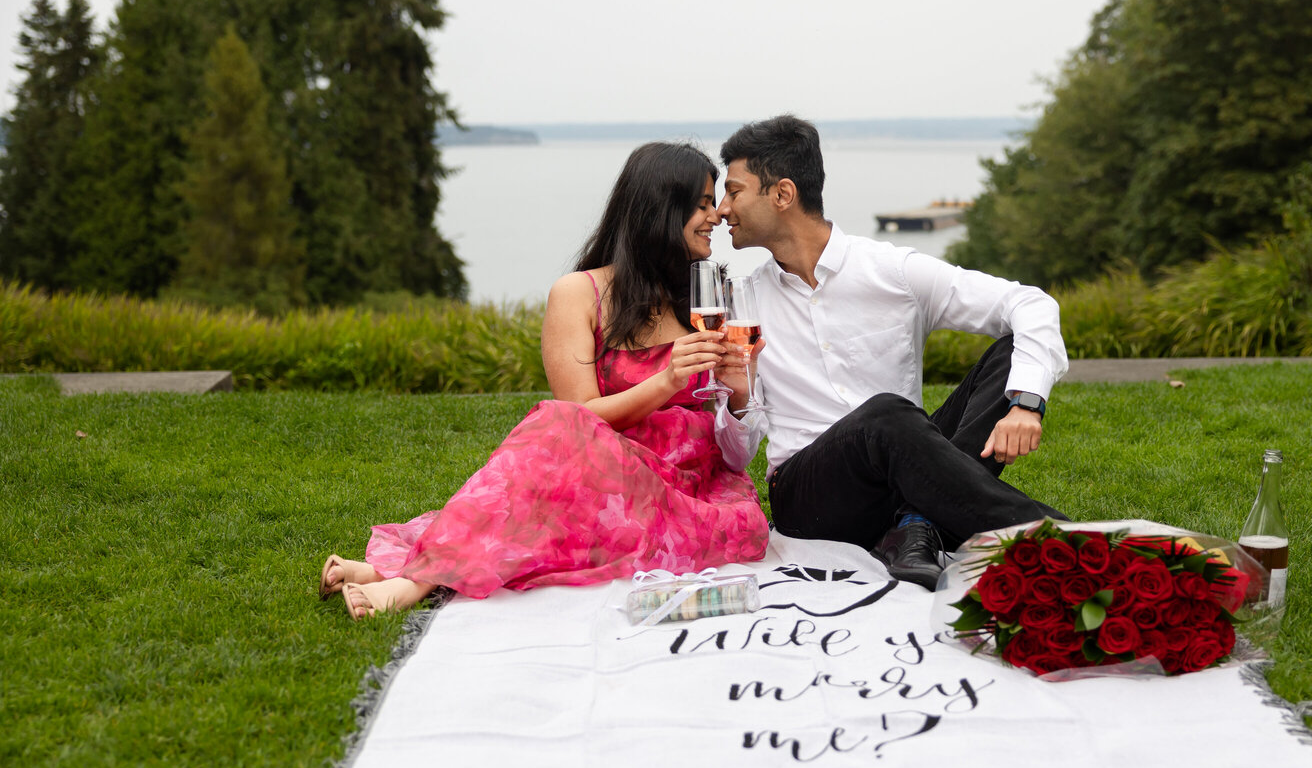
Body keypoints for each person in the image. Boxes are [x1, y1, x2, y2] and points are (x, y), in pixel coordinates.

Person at [320, 142, 770, 618]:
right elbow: (579, 415)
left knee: (533, 499)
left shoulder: (709, 297)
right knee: (555, 426)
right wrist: (664, 381)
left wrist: (739, 392)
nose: (717, 215)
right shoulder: (580, 294)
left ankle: (406, 576)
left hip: (689, 488)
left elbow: (732, 424)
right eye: (701, 203)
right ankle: (413, 582)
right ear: (660, 209)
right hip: (604, 476)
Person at [712, 115, 1067, 589]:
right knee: (885, 416)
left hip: (903, 468)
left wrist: (1026, 403)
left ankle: (915, 526)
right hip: (809, 495)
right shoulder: (746, 305)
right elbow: (739, 454)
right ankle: (1073, 543)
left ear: (781, 194)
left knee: (1008, 356)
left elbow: (1029, 304)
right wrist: (737, 399)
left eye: (734, 191)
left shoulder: (891, 271)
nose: (720, 209)